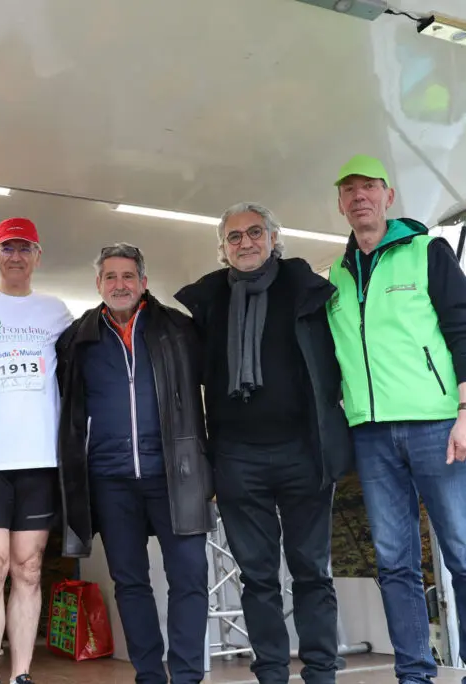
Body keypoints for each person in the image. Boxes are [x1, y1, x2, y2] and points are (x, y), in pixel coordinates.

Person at [175, 202, 353, 684]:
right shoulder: (209, 302)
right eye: (234, 236)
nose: (246, 242)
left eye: (255, 232)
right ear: (223, 248)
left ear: (274, 238)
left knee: (311, 570)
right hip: (238, 459)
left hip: (304, 453)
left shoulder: (307, 290)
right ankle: (271, 672)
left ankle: (321, 672)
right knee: (257, 576)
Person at [327, 155, 466, 684]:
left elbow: (462, 329)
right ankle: (413, 673)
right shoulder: (335, 276)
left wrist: (465, 411)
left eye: (369, 187)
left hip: (437, 425)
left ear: (388, 196)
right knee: (394, 562)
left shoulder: (427, 251)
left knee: (462, 550)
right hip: (371, 434)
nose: (359, 196)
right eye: (349, 190)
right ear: (340, 204)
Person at [55, 242, 213, 684]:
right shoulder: (78, 338)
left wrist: (212, 466)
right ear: (98, 283)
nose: (120, 284)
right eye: (111, 276)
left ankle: (186, 675)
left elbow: (213, 393)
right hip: (110, 479)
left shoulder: (179, 329)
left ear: (143, 281)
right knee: (129, 582)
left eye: (128, 276)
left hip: (176, 474)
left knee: (189, 576)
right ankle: (149, 674)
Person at [0, 217, 73, 684]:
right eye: (8, 247)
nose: (16, 256)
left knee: (28, 568)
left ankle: (21, 673)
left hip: (39, 460)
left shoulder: (57, 312)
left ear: (37, 257)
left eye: (25, 248)